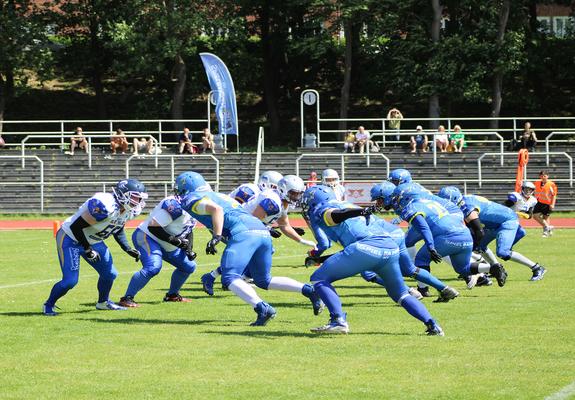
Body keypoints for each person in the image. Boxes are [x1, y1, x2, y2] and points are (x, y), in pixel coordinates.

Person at [179, 172, 322, 326]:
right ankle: (309, 290)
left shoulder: (191, 198)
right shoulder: (217, 194)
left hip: (243, 231)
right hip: (261, 231)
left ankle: (262, 308)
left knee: (230, 277)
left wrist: (216, 235)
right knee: (263, 280)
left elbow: (217, 210)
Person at [301, 185, 444, 335]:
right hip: (389, 247)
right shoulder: (348, 203)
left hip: (365, 248)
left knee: (318, 278)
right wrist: (321, 258)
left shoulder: (324, 211)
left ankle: (338, 321)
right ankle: (433, 325)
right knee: (400, 294)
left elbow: (338, 214)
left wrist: (360, 211)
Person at [42, 179, 148, 316]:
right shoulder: (105, 205)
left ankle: (103, 302)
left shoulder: (127, 210)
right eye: (135, 197)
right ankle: (48, 305)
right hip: (70, 238)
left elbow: (118, 226)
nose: (138, 201)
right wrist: (87, 249)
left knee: (110, 274)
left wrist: (126, 248)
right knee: (70, 281)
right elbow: (76, 227)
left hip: (93, 240)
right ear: (123, 194)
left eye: (140, 198)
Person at [201, 173, 316, 296]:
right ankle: (220, 278)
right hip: (236, 226)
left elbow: (284, 225)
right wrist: (267, 229)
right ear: (283, 189)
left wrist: (302, 241)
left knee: (261, 252)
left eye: (299, 193)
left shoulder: (281, 202)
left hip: (246, 227)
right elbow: (254, 219)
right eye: (293, 193)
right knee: (250, 254)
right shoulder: (272, 202)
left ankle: (222, 277)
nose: (296, 197)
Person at [438, 186, 547, 281]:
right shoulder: (465, 200)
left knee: (503, 252)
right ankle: (496, 268)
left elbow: (479, 230)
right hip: (494, 223)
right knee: (478, 247)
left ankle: (536, 268)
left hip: (506, 221)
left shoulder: (467, 207)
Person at [118, 191, 198, 307]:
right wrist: (175, 241)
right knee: (153, 267)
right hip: (148, 236)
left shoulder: (195, 207)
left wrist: (189, 249)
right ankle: (127, 298)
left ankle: (172, 295)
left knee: (189, 266)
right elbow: (153, 227)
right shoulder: (175, 205)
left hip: (167, 241)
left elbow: (189, 229)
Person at [533, 170, 558, 237]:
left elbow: (554, 195)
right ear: (539, 176)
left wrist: (552, 204)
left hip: (547, 203)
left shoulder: (551, 184)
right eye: (542, 175)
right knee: (535, 216)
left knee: (545, 218)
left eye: (545, 175)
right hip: (539, 202)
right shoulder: (536, 183)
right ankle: (548, 227)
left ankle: (546, 232)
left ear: (547, 176)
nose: (543, 177)